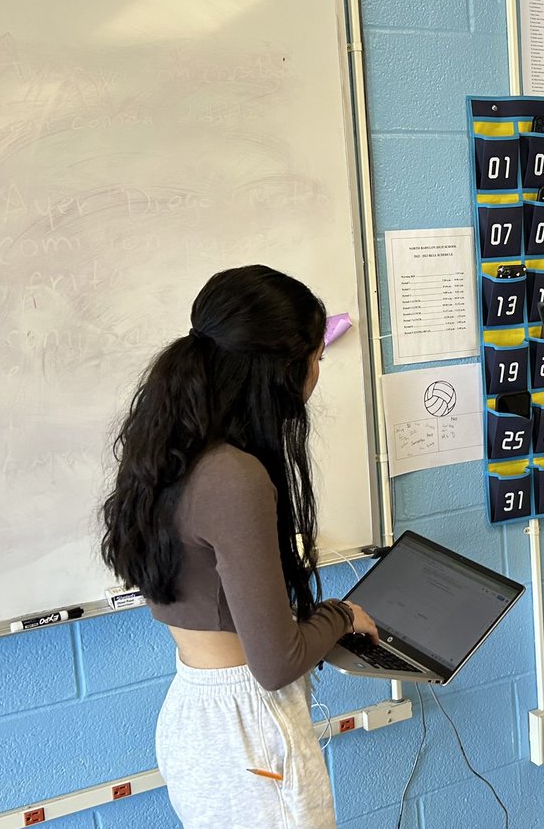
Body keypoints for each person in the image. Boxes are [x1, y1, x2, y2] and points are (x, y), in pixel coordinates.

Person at [100, 265, 377, 829]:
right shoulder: (236, 477)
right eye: (316, 357)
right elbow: (277, 663)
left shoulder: (171, 453)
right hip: (248, 732)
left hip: (196, 713)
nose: (318, 371)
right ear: (277, 371)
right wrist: (343, 615)